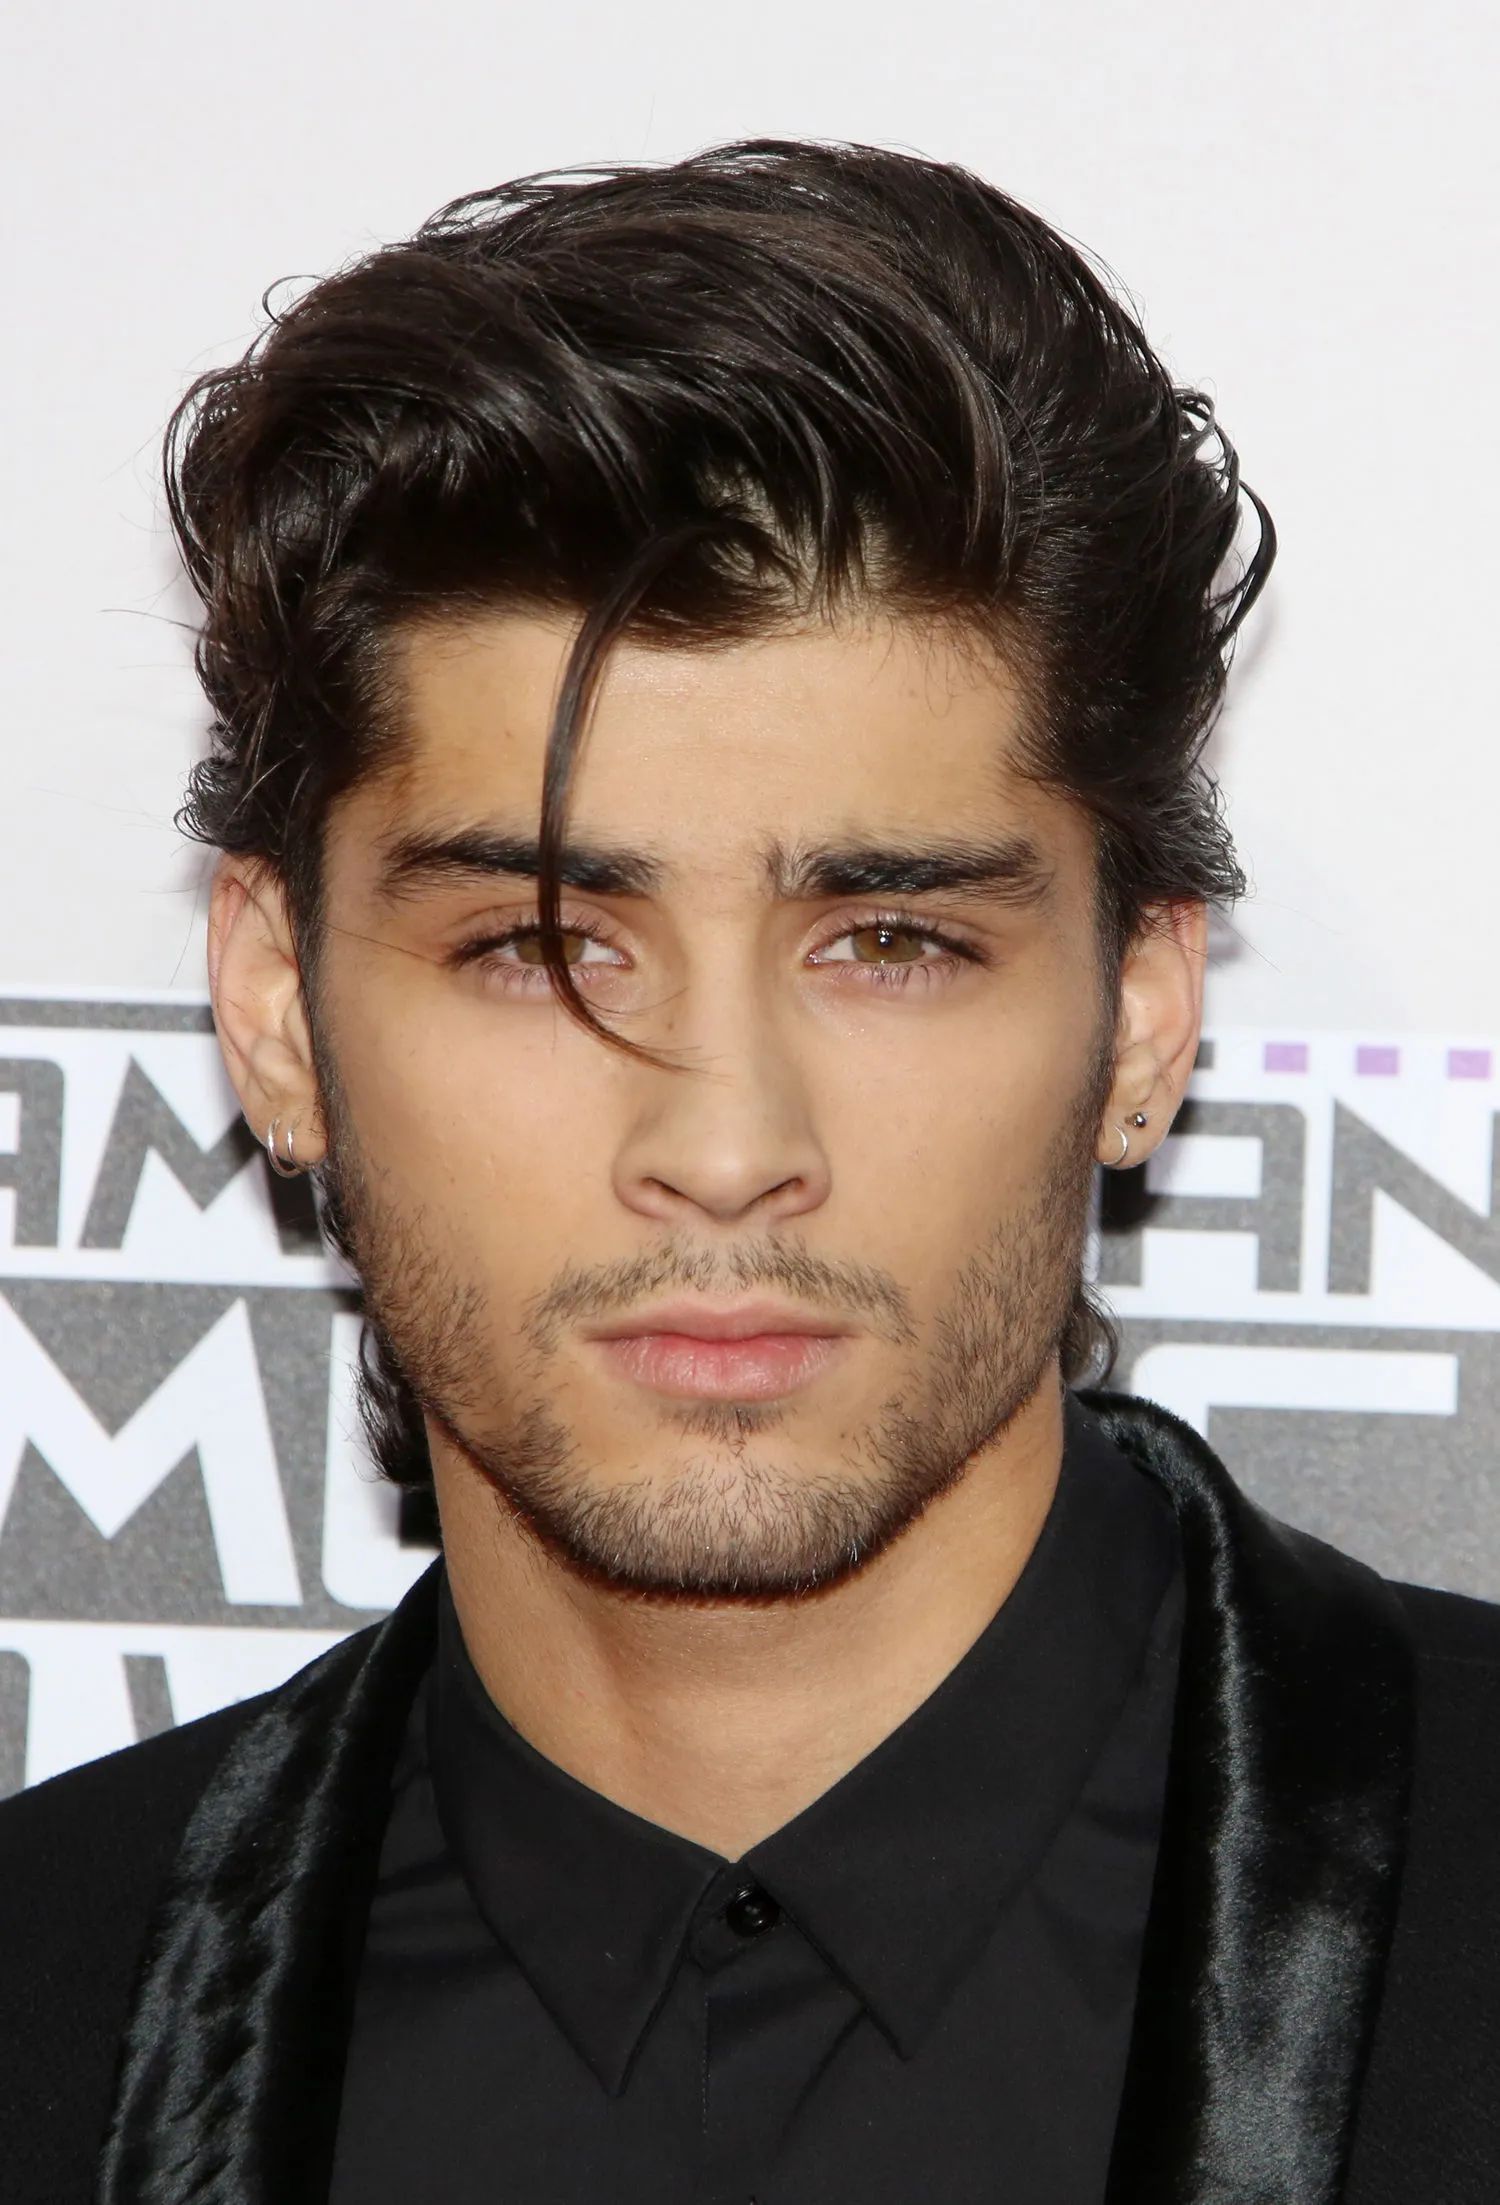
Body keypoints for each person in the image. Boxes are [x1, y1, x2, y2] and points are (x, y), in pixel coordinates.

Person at [1, 137, 1495, 2205]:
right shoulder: (42, 1999)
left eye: (892, 942)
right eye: (540, 946)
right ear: (273, 1006)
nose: (723, 1150)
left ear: (1144, 1015)